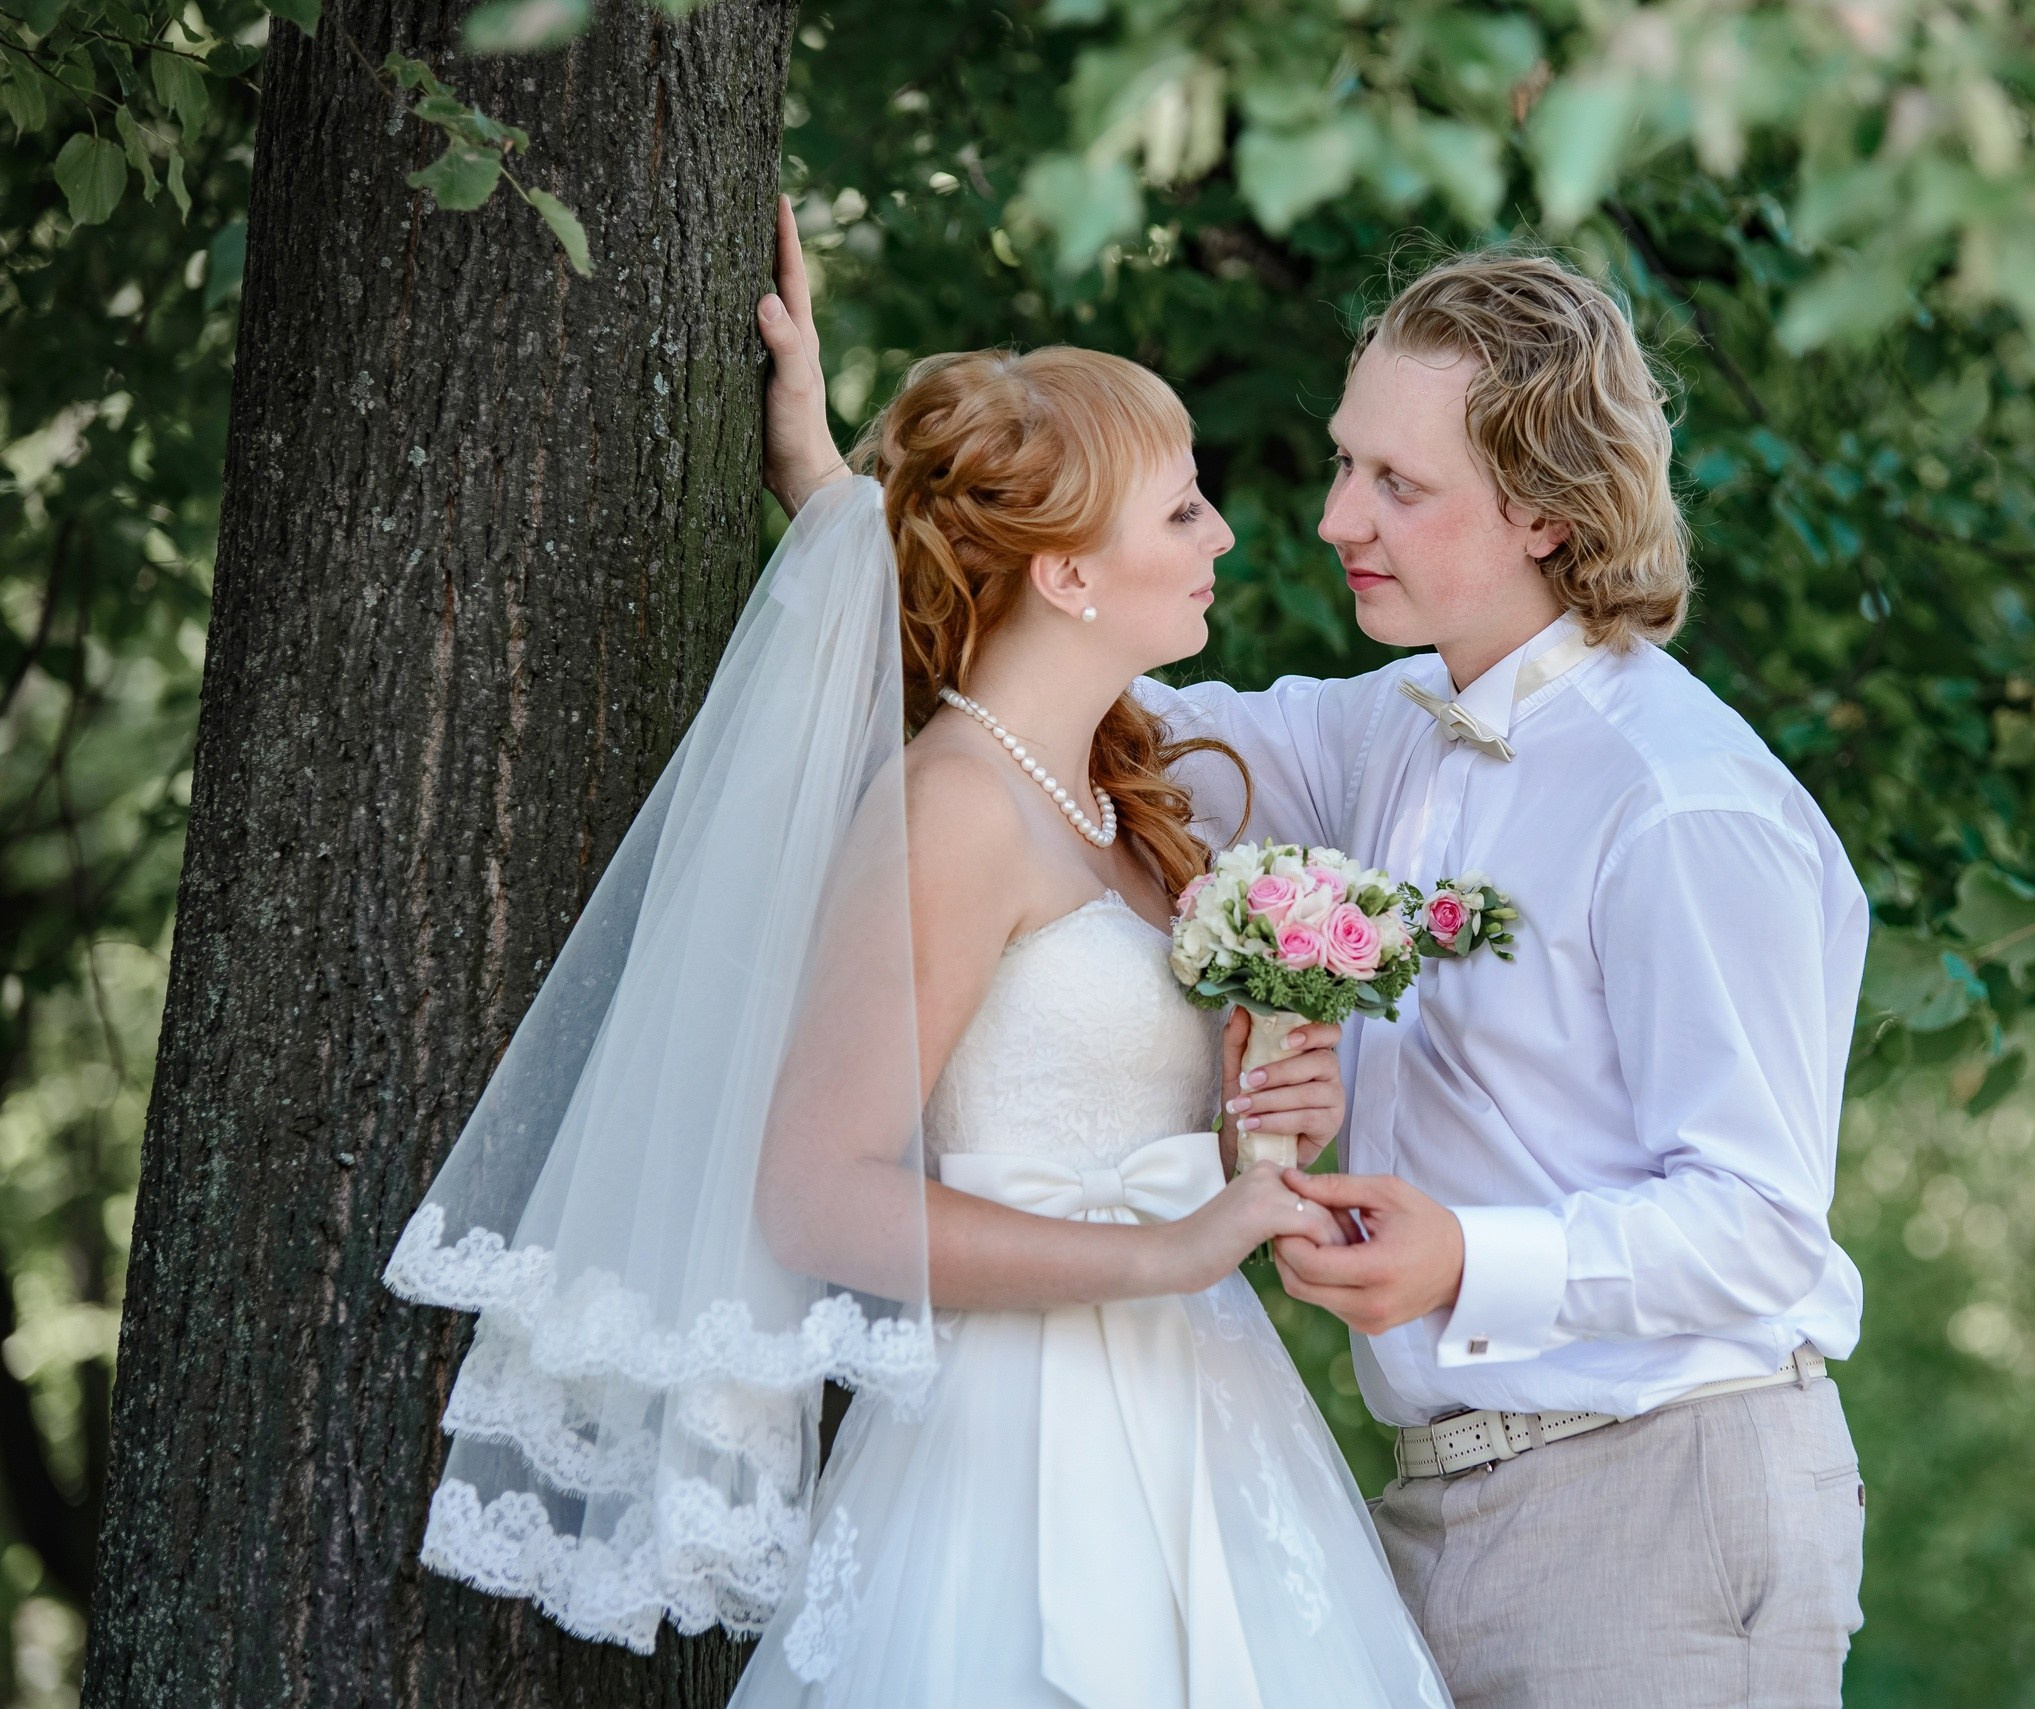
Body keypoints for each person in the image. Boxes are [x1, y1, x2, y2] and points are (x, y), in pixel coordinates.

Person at [763, 222, 1867, 1708]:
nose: (1338, 515)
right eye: (1348, 461)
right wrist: (857, 516)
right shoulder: (1393, 722)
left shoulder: (1683, 805)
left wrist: (1466, 1255)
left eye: (1399, 485)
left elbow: (1762, 1226)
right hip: (1428, 1507)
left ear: (1544, 509)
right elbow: (1073, 701)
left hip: (1662, 1492)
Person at [391, 244, 1452, 1702]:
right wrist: (1165, 1250)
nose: (1222, 535)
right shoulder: (953, 804)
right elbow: (815, 1193)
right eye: (1182, 505)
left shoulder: (1127, 801)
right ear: (1070, 570)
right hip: (1011, 1446)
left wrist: (1260, 1127)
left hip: (1202, 1411)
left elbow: (1126, 1122)